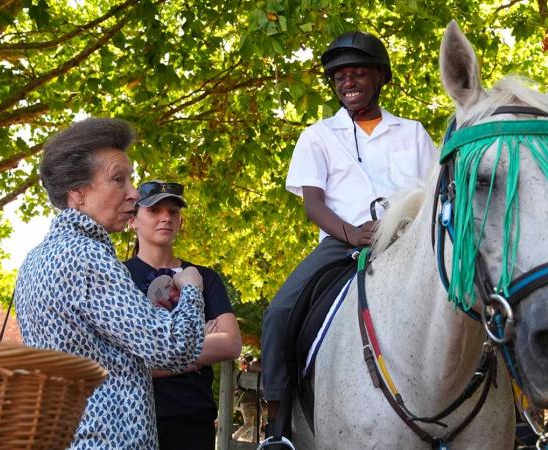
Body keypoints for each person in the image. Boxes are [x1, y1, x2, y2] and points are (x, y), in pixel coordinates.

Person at [260, 31, 437, 426]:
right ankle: (277, 422)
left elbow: (432, 193)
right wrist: (350, 233)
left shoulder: (413, 133)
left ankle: (511, 406)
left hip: (410, 242)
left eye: (358, 73)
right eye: (340, 77)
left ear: (381, 78)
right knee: (279, 313)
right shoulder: (318, 135)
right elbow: (312, 203)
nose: (348, 83)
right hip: (343, 244)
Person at [14, 118, 206, 450]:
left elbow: (97, 350)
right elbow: (173, 350)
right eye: (118, 179)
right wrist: (191, 289)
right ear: (77, 193)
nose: (133, 192)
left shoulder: (35, 259)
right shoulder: (87, 256)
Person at [124, 180, 242, 450]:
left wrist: (155, 356)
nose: (165, 217)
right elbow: (124, 359)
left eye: (173, 211)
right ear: (133, 220)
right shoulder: (118, 278)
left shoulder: (205, 278)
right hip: (132, 420)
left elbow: (230, 343)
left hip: (193, 420)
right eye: (154, 211)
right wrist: (193, 354)